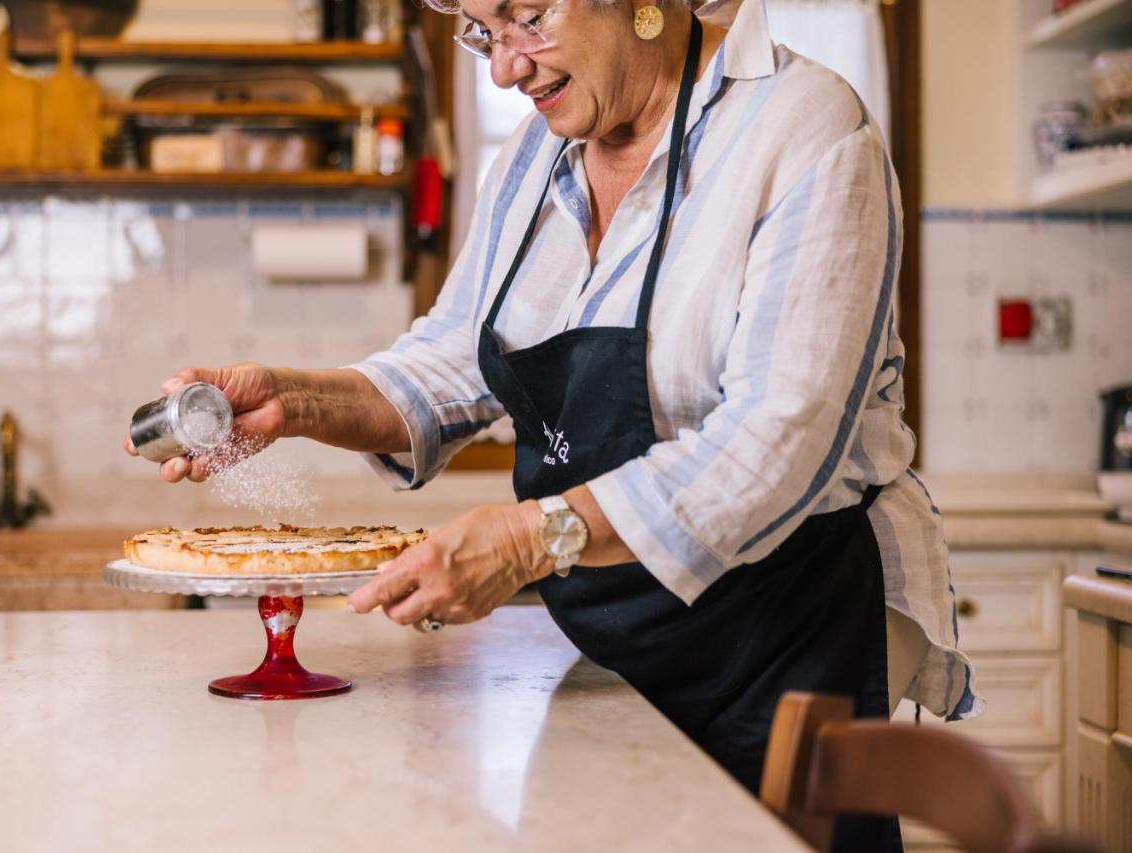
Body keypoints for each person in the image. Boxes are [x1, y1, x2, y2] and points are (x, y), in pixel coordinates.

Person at [129, 0, 980, 847]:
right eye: (482, 33)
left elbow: (776, 444)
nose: (504, 66)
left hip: (781, 648)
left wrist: (533, 539)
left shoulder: (803, 130)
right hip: (613, 654)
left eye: (526, 17)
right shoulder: (535, 156)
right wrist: (296, 402)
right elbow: (456, 358)